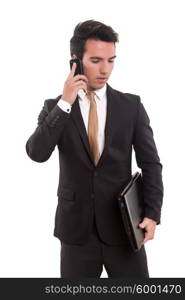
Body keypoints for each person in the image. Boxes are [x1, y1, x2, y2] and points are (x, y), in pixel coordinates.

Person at [26, 20, 163, 278]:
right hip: (76, 233)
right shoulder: (55, 108)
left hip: (125, 228)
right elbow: (36, 152)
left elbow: (151, 164)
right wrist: (65, 103)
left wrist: (153, 214)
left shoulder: (130, 106)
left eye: (111, 60)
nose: (105, 70)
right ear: (75, 60)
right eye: (96, 60)